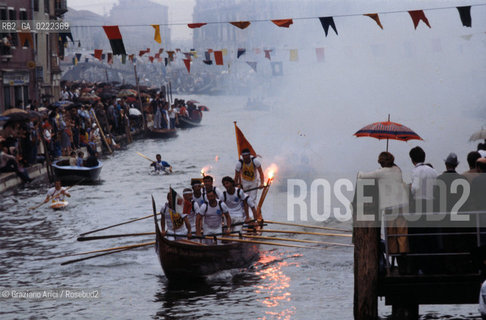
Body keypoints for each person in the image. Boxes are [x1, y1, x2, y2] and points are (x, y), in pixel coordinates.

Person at [358, 152, 410, 272]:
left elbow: (362, 176)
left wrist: (359, 173)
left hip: (390, 208)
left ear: (381, 162)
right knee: (402, 234)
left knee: (391, 236)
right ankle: (404, 264)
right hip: (403, 206)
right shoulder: (397, 170)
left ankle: (393, 262)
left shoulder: (380, 172)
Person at [408, 146, 438, 274]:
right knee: (430, 236)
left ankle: (419, 266)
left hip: (419, 205)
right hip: (431, 204)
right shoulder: (433, 171)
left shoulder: (416, 171)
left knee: (417, 237)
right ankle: (431, 266)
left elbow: (415, 188)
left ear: (412, 159)